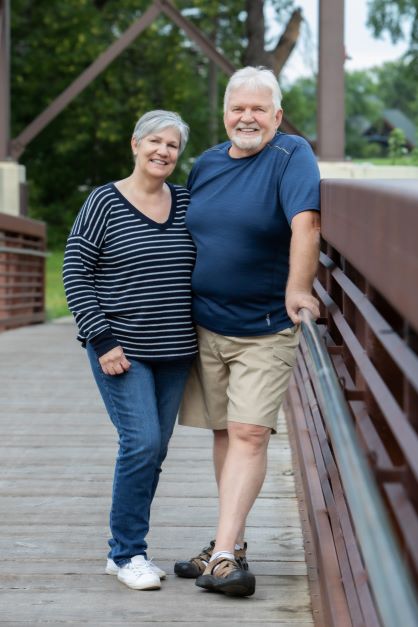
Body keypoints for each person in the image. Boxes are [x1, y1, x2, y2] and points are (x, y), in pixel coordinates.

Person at [174, 66, 321, 597]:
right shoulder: (208, 164)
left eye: (260, 108)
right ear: (224, 114)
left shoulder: (291, 156)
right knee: (225, 431)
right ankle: (227, 546)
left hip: (264, 326)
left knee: (250, 432)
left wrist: (299, 287)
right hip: (206, 322)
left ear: (277, 116)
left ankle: (222, 553)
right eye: (239, 108)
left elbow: (307, 222)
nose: (248, 117)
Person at [63, 110, 197, 591]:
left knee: (154, 450)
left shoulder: (185, 202)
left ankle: (125, 549)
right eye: (155, 142)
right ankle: (127, 553)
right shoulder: (104, 200)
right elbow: (74, 272)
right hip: (122, 348)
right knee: (140, 443)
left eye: (173, 146)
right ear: (135, 144)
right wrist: (101, 339)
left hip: (176, 349)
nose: (163, 152)